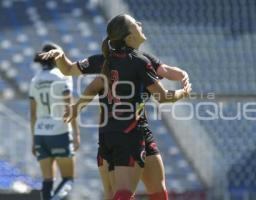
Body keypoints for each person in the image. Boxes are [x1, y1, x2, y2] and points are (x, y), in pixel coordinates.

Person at [39, 15, 190, 200]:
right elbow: (164, 97)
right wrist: (183, 92)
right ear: (129, 37)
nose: (140, 24)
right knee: (123, 194)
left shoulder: (109, 59)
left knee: (158, 191)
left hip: (118, 132)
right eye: (135, 24)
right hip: (129, 132)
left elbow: (69, 70)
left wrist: (183, 74)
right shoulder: (139, 62)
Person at [29, 43, 80, 200]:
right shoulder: (63, 76)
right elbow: (68, 108)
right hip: (59, 132)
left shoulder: (35, 80)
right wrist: (76, 134)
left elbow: (32, 114)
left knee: (47, 180)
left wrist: (33, 140)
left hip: (40, 133)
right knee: (68, 179)